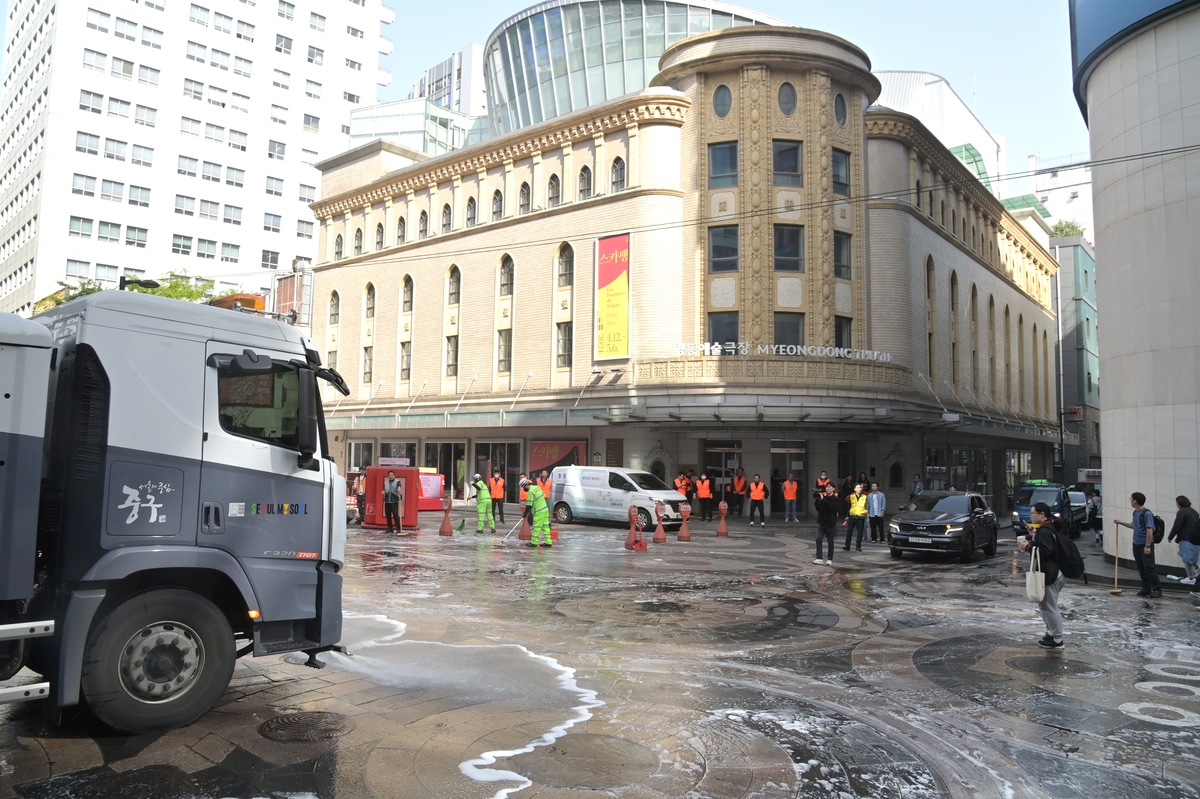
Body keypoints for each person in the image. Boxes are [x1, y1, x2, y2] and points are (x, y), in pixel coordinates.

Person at [1018, 502, 1066, 648]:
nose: (1030, 516)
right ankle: (1051, 633)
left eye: (1032, 513)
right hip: (1051, 573)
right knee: (1044, 606)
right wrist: (1034, 537)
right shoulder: (1047, 528)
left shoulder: (1045, 530)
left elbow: (1045, 551)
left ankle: (1057, 639)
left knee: (1050, 607)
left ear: (1042, 514)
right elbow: (1043, 546)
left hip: (1051, 575)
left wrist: (1027, 546)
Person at [1112, 492, 1163, 598]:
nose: (1130, 500)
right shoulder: (1136, 512)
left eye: (1131, 498)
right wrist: (1121, 523)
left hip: (1144, 544)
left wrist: (1147, 546)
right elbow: (1134, 526)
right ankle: (1146, 588)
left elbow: (1150, 530)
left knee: (1149, 567)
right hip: (1136, 543)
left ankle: (1157, 589)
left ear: (1135, 501)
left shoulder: (1147, 513)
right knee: (1141, 567)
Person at [1166, 495, 1200, 585]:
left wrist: (1170, 536)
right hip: (1196, 539)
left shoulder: (1182, 512)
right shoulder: (1194, 512)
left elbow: (1177, 525)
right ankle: (1197, 574)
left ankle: (1191, 578)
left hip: (1186, 538)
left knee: (1187, 560)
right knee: (1192, 559)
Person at [813, 484, 840, 566]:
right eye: (826, 487)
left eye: (829, 487)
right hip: (822, 523)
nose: (827, 489)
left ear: (833, 488)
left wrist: (823, 499)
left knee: (830, 542)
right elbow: (818, 508)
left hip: (830, 523)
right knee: (818, 539)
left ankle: (829, 558)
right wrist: (817, 500)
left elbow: (831, 507)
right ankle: (819, 558)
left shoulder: (835, 499)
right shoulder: (824, 498)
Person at [523, 477, 551, 548]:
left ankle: (534, 542)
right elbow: (543, 496)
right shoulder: (537, 487)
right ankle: (548, 542)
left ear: (526, 485)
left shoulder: (530, 492)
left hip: (539, 511)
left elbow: (529, 505)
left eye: (523, 487)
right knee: (545, 527)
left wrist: (525, 513)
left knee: (537, 527)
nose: (524, 489)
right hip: (545, 509)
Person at [845, 483, 868, 551]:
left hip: (861, 516)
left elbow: (867, 505)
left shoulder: (865, 497)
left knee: (860, 533)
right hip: (852, 516)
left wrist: (867, 510)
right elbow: (848, 507)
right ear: (855, 489)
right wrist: (847, 516)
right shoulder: (851, 496)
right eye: (858, 487)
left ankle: (858, 546)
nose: (860, 489)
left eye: (860, 487)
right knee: (849, 532)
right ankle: (847, 546)